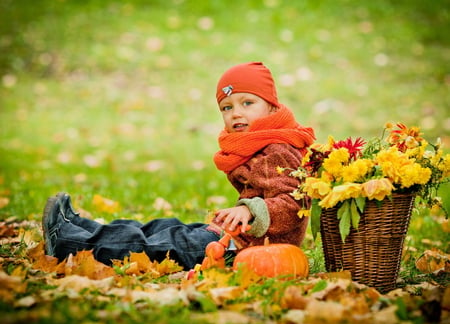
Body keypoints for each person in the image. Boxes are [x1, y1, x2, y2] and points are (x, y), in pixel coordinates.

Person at [42, 62, 316, 270]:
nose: (236, 113)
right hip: (233, 237)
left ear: (271, 107)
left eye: (247, 102)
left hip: (247, 251)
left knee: (159, 244)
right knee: (162, 227)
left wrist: (250, 209)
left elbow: (294, 204)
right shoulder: (261, 142)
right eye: (227, 107)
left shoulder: (279, 148)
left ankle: (70, 243)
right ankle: (81, 226)